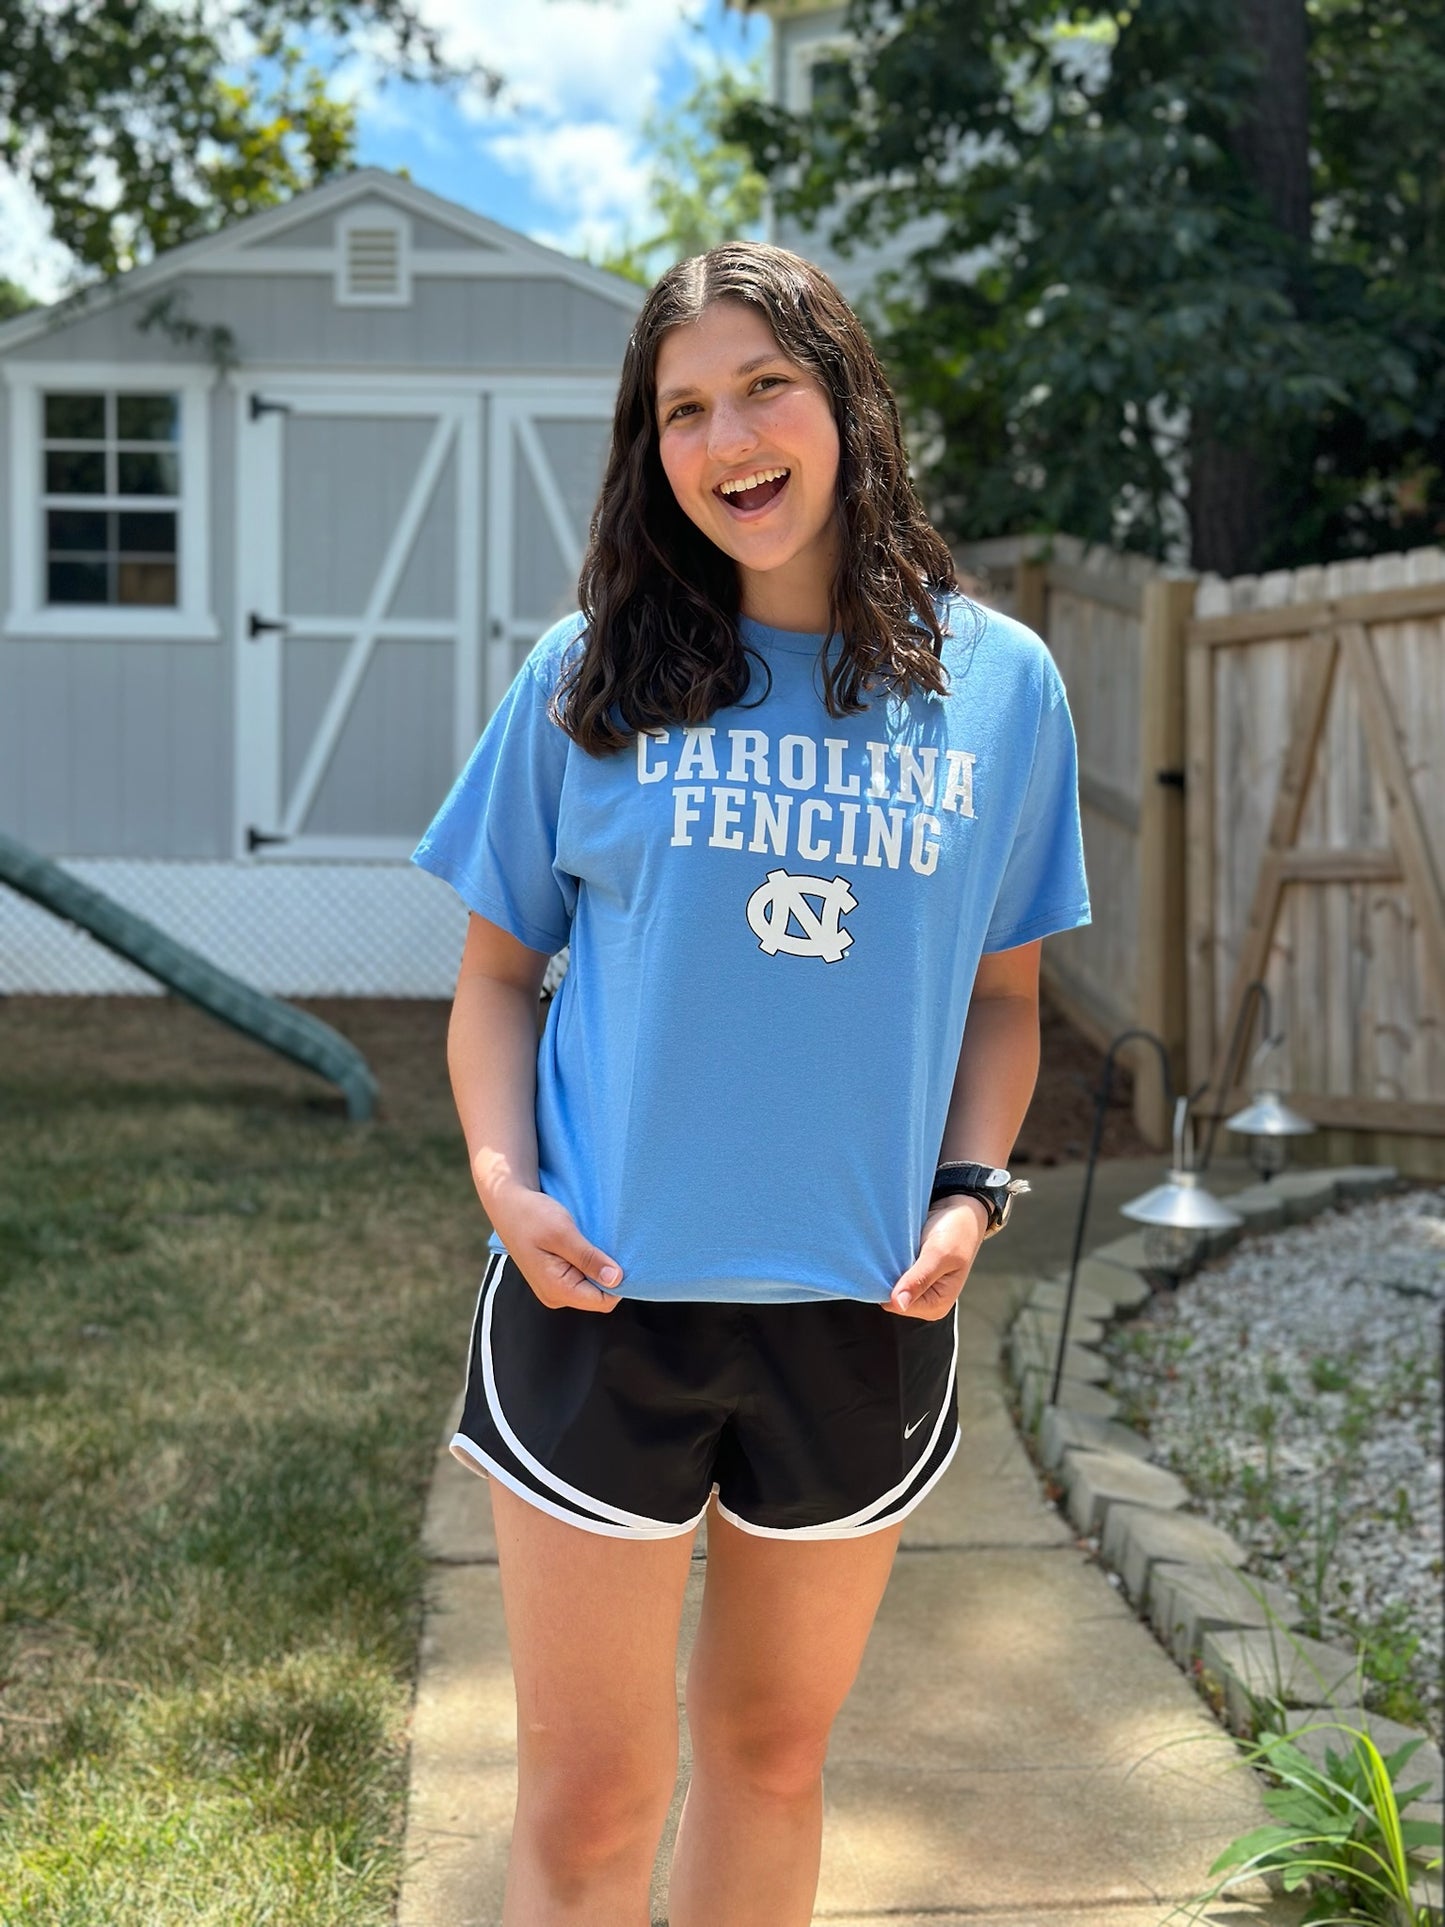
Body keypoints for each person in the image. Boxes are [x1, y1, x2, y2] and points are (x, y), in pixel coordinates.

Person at [411, 241, 1091, 1927]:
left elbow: (1004, 1009)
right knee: (587, 1800)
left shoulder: (995, 687)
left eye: (763, 387)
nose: (727, 439)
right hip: (601, 1304)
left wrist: (967, 1190)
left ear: (845, 403)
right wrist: (508, 1184)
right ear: (651, 451)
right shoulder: (585, 678)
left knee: (773, 1764)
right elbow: (498, 983)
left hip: (858, 1315)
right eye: (682, 409)